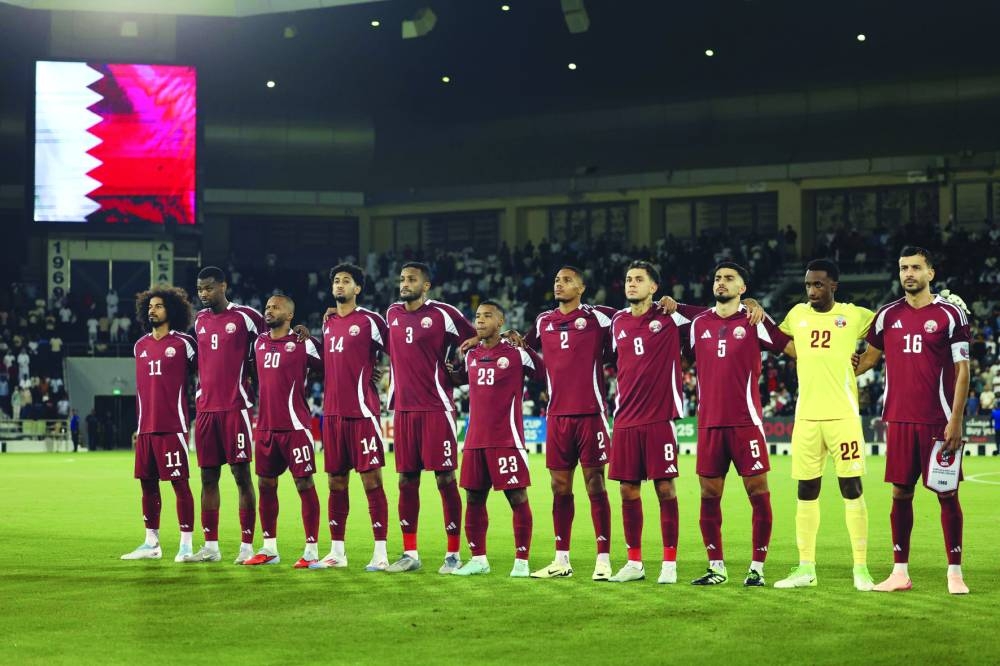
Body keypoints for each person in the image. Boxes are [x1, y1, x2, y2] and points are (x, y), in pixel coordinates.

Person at [855, 247, 971, 594]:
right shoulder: (887, 315)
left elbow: (963, 371)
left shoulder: (951, 314)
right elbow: (867, 361)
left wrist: (956, 420)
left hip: (938, 420)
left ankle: (954, 573)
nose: (909, 273)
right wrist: (831, 362)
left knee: (947, 493)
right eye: (904, 267)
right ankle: (899, 572)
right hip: (900, 419)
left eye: (916, 268)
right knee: (901, 493)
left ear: (930, 273)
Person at [773, 259, 876, 591]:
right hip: (806, 417)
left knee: (851, 487)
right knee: (806, 489)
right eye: (808, 285)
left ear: (834, 285)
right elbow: (777, 339)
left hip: (843, 416)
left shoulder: (853, 315)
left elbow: (886, 331)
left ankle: (861, 568)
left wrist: (864, 363)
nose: (812, 290)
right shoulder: (796, 315)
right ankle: (806, 568)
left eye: (818, 284)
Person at [687, 262, 791, 587]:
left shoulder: (755, 320)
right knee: (708, 495)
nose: (721, 282)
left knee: (758, 492)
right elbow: (670, 316)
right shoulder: (698, 323)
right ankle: (716, 568)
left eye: (729, 278)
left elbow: (791, 348)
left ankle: (757, 568)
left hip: (746, 423)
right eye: (718, 277)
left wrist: (759, 309)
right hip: (709, 425)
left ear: (743, 288)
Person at [383, 262, 476, 574]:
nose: (404, 283)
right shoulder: (392, 313)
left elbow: (477, 340)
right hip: (404, 409)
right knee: (406, 480)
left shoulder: (444, 314)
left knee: (445, 479)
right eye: (402, 278)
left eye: (411, 279)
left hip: (437, 407)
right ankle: (410, 553)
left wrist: (461, 373)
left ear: (426, 286)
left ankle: (453, 554)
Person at [526, 266, 616, 581]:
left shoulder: (600, 317)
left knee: (595, 483)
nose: (559, 284)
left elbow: (635, 319)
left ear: (581, 287)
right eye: (556, 280)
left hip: (591, 413)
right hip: (557, 416)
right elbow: (524, 351)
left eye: (567, 280)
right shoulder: (543, 321)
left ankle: (603, 559)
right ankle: (561, 559)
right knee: (559, 487)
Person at [605, 261, 692, 583]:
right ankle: (634, 563)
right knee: (627, 491)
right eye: (628, 279)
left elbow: (715, 315)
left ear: (653, 287)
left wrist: (680, 306)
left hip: (659, 417)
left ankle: (669, 564)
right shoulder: (617, 321)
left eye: (639, 279)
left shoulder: (670, 316)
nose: (631, 284)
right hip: (625, 420)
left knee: (665, 488)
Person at [448, 300, 543, 577]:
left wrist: (525, 345)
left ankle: (522, 562)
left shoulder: (516, 353)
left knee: (517, 497)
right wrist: (447, 368)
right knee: (474, 498)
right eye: (478, 316)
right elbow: (458, 378)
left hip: (506, 439)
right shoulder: (471, 354)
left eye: (487, 316)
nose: (480, 320)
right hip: (475, 440)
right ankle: (478, 559)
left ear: (500, 322)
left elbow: (544, 374)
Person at [310, 264, 391, 571]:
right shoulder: (328, 322)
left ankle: (380, 553)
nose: (340, 284)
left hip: (362, 414)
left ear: (357, 288)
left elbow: (396, 349)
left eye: (346, 281)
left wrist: (379, 371)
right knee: (336, 482)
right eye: (336, 280)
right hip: (332, 414)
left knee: (372, 481)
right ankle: (337, 552)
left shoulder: (371, 320)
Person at [184, 266, 266, 565]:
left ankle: (246, 546)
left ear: (223, 286)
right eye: (199, 289)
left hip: (236, 408)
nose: (203, 293)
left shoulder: (246, 317)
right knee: (208, 477)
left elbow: (273, 341)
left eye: (208, 288)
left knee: (241, 475)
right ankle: (211, 547)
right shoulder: (200, 320)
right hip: (206, 410)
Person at [243, 294, 324, 567]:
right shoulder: (258, 343)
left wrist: (369, 370)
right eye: (267, 306)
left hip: (296, 427)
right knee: (266, 485)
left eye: (275, 307)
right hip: (266, 427)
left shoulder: (304, 343)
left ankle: (311, 551)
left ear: (289, 315)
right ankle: (269, 549)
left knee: (304, 483)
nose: (269, 310)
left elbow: (333, 365)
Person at [120, 287, 197, 562]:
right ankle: (151, 543)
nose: (152, 310)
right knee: (147, 485)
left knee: (179, 484)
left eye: (159, 306)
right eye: (150, 306)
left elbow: (206, 372)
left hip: (172, 426)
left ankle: (186, 545)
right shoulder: (139, 345)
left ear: (171, 310)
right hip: (145, 428)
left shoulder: (184, 343)